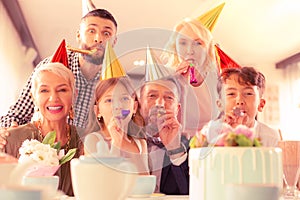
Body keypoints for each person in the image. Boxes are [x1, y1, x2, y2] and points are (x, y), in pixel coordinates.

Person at [0, 8, 118, 131]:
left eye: (106, 33)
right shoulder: (51, 66)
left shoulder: (114, 82)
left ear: (114, 42)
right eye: (91, 31)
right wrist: (7, 130)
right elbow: (15, 116)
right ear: (78, 36)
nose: (98, 38)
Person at [4, 62, 83, 196]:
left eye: (62, 90)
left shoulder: (85, 140)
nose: (54, 98)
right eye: (44, 90)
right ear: (34, 97)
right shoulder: (10, 140)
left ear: (74, 95)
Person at [160, 18, 220, 137]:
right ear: (175, 47)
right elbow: (164, 125)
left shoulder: (216, 78)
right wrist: (178, 87)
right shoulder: (165, 80)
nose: (189, 51)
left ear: (208, 48)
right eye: (183, 43)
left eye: (198, 43)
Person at [198, 67, 280, 147]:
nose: (239, 100)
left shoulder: (271, 136)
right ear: (220, 105)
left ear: (261, 105)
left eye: (248, 93)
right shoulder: (210, 133)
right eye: (231, 94)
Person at [84, 76, 149, 174]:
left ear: (134, 107)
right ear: (97, 111)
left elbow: (146, 181)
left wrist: (126, 145)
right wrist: (116, 145)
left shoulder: (140, 144)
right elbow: (103, 181)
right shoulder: (93, 140)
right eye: (109, 100)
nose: (118, 106)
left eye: (124, 98)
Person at [138, 75, 189, 195]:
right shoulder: (124, 141)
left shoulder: (190, 148)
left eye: (169, 97)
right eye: (152, 96)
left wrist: (174, 149)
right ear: (138, 104)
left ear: (177, 109)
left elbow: (191, 193)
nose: (160, 103)